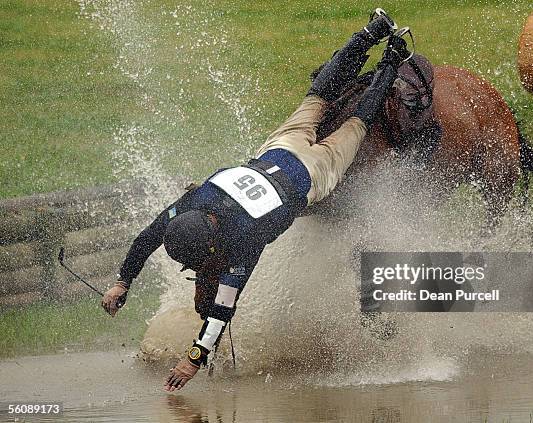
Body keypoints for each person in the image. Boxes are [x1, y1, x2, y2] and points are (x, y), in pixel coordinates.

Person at [102, 8, 413, 391]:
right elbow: (150, 237)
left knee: (357, 125)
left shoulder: (246, 239)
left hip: (314, 174)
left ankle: (393, 57)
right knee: (317, 97)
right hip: (281, 147)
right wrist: (122, 282)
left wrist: (194, 359)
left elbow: (222, 310)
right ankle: (371, 32)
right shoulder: (195, 201)